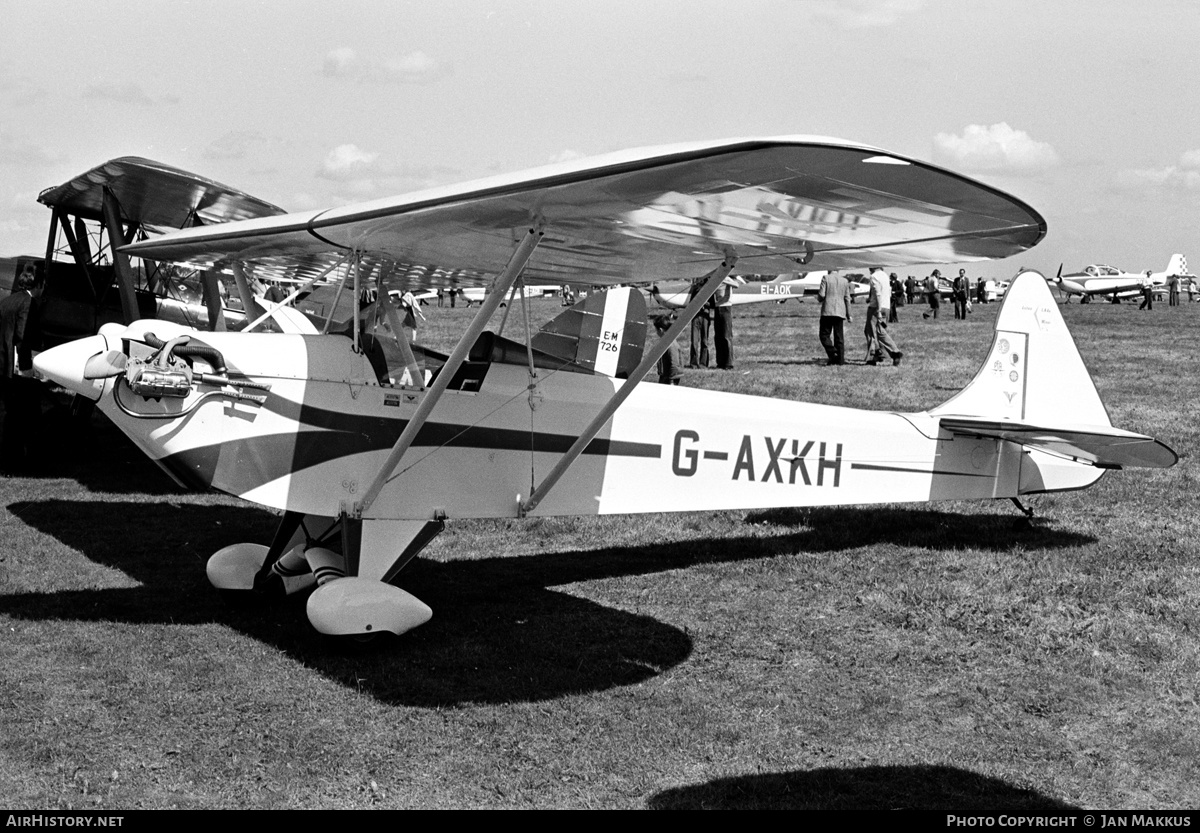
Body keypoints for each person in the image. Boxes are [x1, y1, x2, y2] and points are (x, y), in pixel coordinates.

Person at [0, 271, 37, 472]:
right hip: (15, 369)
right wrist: (27, 368)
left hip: (2, 365)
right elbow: (22, 335)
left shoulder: (6, 301)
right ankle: (16, 461)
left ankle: (7, 458)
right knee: (22, 414)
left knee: (10, 414)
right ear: (37, 286)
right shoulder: (27, 303)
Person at [864, 268, 903, 366]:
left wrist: (878, 310)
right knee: (880, 331)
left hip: (876, 307)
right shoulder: (885, 275)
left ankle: (874, 355)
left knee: (870, 331)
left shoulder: (874, 276)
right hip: (886, 306)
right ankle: (895, 352)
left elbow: (878, 293)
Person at [816, 268, 851, 365]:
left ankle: (832, 352)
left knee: (824, 335)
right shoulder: (844, 281)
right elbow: (847, 298)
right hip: (840, 311)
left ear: (829, 269)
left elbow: (822, 295)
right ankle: (840, 360)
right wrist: (849, 314)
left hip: (828, 310)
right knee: (839, 337)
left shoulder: (826, 278)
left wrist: (818, 298)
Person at [687, 278, 711, 368]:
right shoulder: (695, 289)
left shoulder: (710, 289)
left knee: (704, 341)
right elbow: (690, 303)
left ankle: (703, 363)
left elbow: (712, 304)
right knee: (694, 341)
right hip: (695, 317)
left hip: (705, 316)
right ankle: (693, 363)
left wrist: (706, 304)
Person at [653, 314, 683, 385]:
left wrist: (671, 382)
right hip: (665, 376)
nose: (656, 333)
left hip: (670, 378)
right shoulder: (666, 342)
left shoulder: (671, 345)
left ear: (661, 330)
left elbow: (674, 364)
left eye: (656, 330)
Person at [711, 281, 734, 370]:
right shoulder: (716, 278)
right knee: (718, 336)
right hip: (717, 307)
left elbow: (736, 284)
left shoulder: (727, 278)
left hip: (726, 307)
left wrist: (724, 280)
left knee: (726, 336)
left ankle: (728, 363)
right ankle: (720, 362)